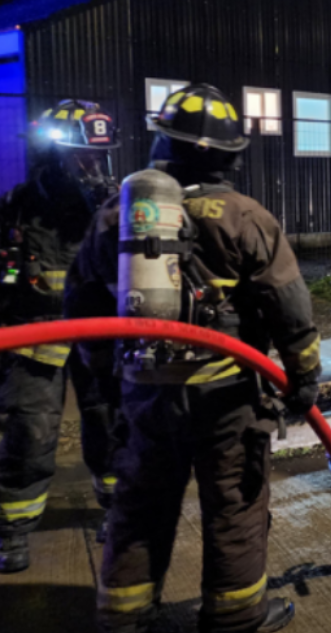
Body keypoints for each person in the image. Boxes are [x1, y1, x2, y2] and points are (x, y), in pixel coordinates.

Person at [68, 84, 321, 633]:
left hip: (145, 393)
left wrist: (108, 380)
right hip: (226, 397)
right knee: (234, 505)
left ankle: (124, 619)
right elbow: (290, 306)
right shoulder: (245, 216)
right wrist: (304, 377)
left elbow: (82, 304)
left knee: (140, 507)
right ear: (230, 155)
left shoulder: (116, 216)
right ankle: (234, 618)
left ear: (164, 141)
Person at [0, 99, 123, 573]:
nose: (93, 167)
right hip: (35, 335)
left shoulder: (116, 207)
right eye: (83, 157)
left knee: (109, 421)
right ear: (55, 156)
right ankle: (13, 529)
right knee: (28, 430)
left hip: (99, 334)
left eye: (99, 157)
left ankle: (116, 509)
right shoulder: (20, 205)